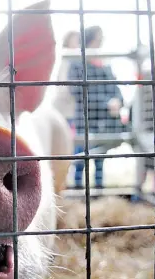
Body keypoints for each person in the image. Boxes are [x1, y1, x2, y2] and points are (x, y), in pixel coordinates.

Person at [68, 26, 126, 189]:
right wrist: (106, 103)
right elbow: (78, 92)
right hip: (84, 120)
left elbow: (117, 89)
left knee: (100, 161)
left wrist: (118, 101)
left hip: (104, 122)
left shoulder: (105, 65)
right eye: (98, 38)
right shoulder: (76, 64)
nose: (101, 41)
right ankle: (77, 191)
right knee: (80, 159)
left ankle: (99, 192)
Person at [52, 31, 80, 132]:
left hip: (71, 108)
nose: (77, 44)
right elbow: (63, 86)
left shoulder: (75, 59)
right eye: (75, 40)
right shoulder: (66, 59)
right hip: (65, 108)